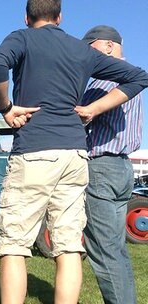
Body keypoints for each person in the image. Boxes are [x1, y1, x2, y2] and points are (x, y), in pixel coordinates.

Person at [0, 0, 148, 304]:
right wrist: (93, 109)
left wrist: (5, 107)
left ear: (27, 16)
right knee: (69, 244)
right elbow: (138, 77)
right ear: (60, 17)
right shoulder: (81, 50)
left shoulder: (21, 37)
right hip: (75, 155)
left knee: (15, 244)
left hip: (34, 151)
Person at [80, 25, 140, 304]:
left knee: (104, 252)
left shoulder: (105, 81)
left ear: (106, 46)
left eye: (88, 47)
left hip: (101, 168)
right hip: (123, 169)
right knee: (116, 250)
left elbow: (77, 116)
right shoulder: (132, 78)